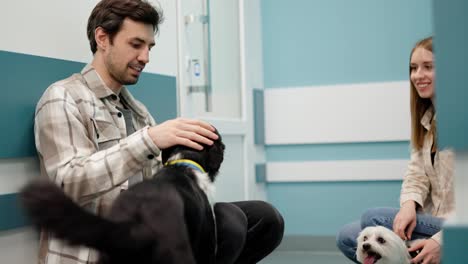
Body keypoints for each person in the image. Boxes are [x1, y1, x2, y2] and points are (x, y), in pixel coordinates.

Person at [34, 0, 284, 263]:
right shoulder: (63, 97)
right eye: (136, 44)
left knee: (263, 218)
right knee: (226, 226)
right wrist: (149, 139)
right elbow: (66, 183)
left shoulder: (139, 111)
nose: (145, 57)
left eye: (149, 47)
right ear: (102, 38)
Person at [336, 36, 454, 264]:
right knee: (350, 236)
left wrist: (441, 241)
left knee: (373, 218)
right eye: (413, 68)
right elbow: (416, 175)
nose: (418, 75)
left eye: (428, 67)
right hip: (435, 220)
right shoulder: (428, 122)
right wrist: (409, 205)